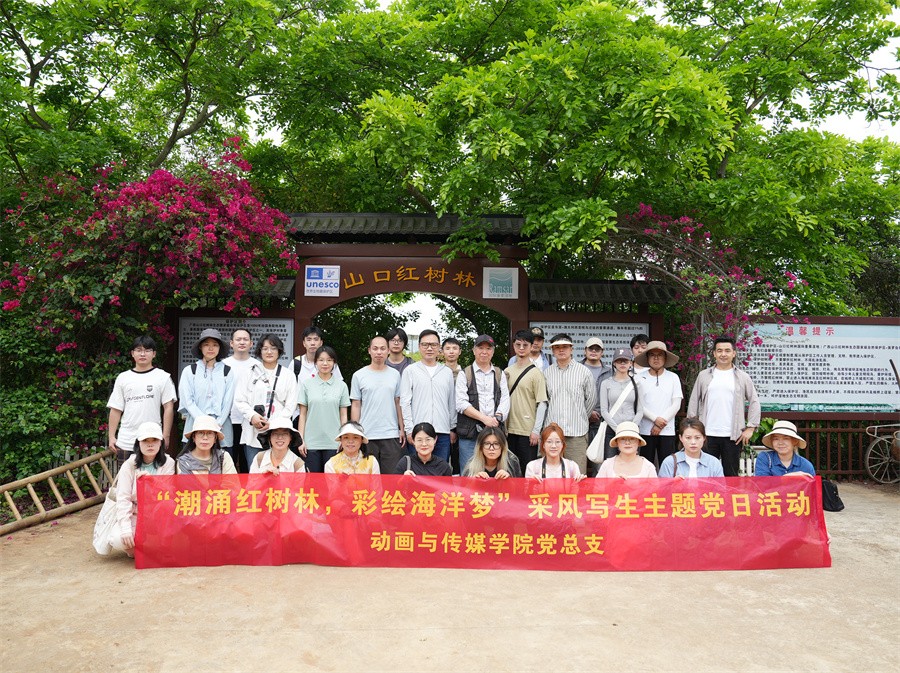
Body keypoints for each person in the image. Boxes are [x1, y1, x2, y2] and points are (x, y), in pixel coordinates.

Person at [687, 336, 761, 477]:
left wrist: (751, 427)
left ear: (734, 353)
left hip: (733, 436)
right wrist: (692, 427)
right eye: (719, 351)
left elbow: (754, 401)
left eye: (727, 351)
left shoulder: (742, 377)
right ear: (714, 353)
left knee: (731, 476)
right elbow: (694, 401)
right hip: (707, 434)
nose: (723, 354)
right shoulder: (704, 375)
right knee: (705, 475)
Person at [106, 335, 176, 468]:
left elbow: (168, 407)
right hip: (126, 440)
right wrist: (111, 436)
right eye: (138, 350)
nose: (143, 354)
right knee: (126, 478)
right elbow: (116, 409)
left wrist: (165, 435)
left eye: (147, 350)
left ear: (154, 354)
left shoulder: (163, 377)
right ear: (132, 353)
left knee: (152, 479)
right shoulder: (123, 378)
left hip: (153, 439)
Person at [111, 422, 175, 558]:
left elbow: (169, 493)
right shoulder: (129, 465)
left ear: (161, 443)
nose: (150, 445)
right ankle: (137, 549)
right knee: (118, 539)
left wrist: (152, 481)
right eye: (145, 440)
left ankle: (153, 545)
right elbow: (123, 498)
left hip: (158, 514)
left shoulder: (168, 463)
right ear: (138, 443)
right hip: (135, 514)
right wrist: (126, 529)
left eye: (154, 440)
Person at [235, 333, 298, 468]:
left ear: (279, 351)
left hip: (279, 433)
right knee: (256, 471)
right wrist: (252, 416)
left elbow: (291, 405)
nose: (269, 352)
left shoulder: (288, 375)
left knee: (280, 471)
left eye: (273, 348)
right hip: (254, 432)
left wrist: (274, 424)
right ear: (260, 351)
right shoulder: (249, 373)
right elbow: (240, 400)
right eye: (265, 348)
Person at [350, 335, 406, 474]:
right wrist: (355, 432)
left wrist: (402, 428)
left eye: (382, 348)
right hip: (367, 434)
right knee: (366, 479)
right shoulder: (358, 375)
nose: (379, 352)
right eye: (375, 348)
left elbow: (398, 402)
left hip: (390, 434)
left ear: (388, 351)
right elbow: (356, 405)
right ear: (369, 350)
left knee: (391, 479)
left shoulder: (395, 375)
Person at [400, 330, 457, 462]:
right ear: (419, 346)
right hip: (418, 432)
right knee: (417, 470)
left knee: (440, 470)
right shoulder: (410, 371)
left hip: (442, 432)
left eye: (433, 345)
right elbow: (405, 402)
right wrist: (409, 429)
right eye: (425, 345)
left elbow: (451, 403)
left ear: (439, 347)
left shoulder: (447, 372)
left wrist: (452, 428)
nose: (429, 348)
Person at [456, 334, 510, 472]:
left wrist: (497, 417)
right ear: (474, 350)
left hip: (494, 432)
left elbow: (505, 399)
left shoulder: (499, 373)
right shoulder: (465, 374)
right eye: (480, 348)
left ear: (493, 351)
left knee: (495, 472)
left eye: (488, 348)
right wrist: (484, 419)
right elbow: (461, 403)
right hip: (470, 433)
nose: (484, 352)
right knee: (468, 472)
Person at [178, 328, 235, 457]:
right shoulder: (190, 371)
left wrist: (217, 423)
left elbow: (228, 402)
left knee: (222, 463)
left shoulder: (227, 371)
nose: (211, 348)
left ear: (219, 348)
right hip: (194, 425)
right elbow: (188, 401)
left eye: (215, 345)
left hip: (221, 426)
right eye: (206, 344)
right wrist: (203, 423)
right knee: (192, 464)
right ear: (200, 347)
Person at [543, 333, 595, 475]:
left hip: (577, 434)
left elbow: (591, 400)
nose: (561, 350)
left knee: (577, 475)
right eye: (557, 347)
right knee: (551, 475)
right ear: (552, 350)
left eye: (565, 346)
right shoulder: (547, 373)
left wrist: (580, 417)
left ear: (571, 349)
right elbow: (545, 402)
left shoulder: (584, 372)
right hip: (552, 435)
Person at [297, 345, 350, 472]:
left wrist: (344, 438)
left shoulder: (342, 386)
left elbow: (343, 415)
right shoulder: (307, 384)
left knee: (332, 481)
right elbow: (302, 414)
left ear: (334, 363)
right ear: (315, 362)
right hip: (311, 443)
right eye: (321, 360)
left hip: (334, 442)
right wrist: (301, 440)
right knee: (312, 481)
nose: (325, 363)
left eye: (329, 360)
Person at [504, 329, 548, 474]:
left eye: (525, 345)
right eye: (518, 344)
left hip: (527, 431)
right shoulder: (507, 371)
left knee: (527, 471)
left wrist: (536, 431)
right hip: (509, 430)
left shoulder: (536, 373)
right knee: (510, 471)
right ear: (513, 346)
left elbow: (542, 403)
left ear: (531, 346)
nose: (521, 348)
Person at [634, 341, 683, 468]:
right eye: (652, 355)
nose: (656, 358)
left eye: (660, 355)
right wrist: (655, 419)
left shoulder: (673, 377)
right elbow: (638, 403)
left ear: (665, 358)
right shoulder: (638, 378)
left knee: (668, 466)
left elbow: (676, 404)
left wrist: (661, 423)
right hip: (646, 430)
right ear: (647, 357)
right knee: (645, 466)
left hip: (667, 430)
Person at [222, 328, 259, 472]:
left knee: (248, 462)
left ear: (251, 343)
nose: (242, 342)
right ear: (231, 343)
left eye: (245, 339)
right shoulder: (223, 365)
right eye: (238, 339)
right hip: (228, 420)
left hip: (250, 421)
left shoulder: (257, 365)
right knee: (228, 461)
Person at [597, 347, 642, 460]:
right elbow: (604, 410)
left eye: (625, 361)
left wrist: (632, 428)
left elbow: (640, 410)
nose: (622, 364)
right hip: (612, 429)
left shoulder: (637, 383)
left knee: (631, 462)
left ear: (630, 363)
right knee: (610, 462)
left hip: (632, 430)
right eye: (619, 361)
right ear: (614, 363)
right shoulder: (606, 383)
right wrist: (617, 429)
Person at [659, 417, 724, 478]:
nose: (693, 442)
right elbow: (661, 486)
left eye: (697, 438)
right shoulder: (669, 462)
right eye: (688, 438)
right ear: (681, 438)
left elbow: (720, 486)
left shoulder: (714, 463)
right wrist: (673, 484)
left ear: (704, 438)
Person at [583, 336, 612, 475]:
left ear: (602, 352)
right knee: (579, 462)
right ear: (585, 350)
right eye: (591, 348)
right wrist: (588, 412)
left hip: (602, 422)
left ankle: (598, 489)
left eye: (597, 349)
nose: (594, 351)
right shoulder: (577, 368)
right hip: (580, 421)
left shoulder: (610, 372)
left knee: (599, 463)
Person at [442, 336, 463, 473]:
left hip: (462, 424)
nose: (451, 351)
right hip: (442, 423)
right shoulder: (437, 373)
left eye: (454, 348)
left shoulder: (466, 374)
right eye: (448, 348)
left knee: (458, 462)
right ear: (442, 351)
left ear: (459, 351)